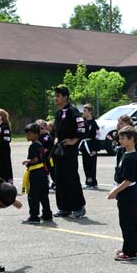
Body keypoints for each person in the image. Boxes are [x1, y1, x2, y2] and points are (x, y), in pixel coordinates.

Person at [52, 86, 86, 219]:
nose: (56, 98)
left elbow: (82, 128)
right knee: (59, 178)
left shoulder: (73, 111)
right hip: (59, 151)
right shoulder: (58, 113)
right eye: (55, 96)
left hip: (70, 151)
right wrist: (55, 138)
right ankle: (64, 207)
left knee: (71, 178)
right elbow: (56, 130)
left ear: (65, 97)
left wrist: (74, 141)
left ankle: (79, 207)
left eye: (58, 96)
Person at [108, 126, 137, 261]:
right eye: (119, 138)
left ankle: (130, 251)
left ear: (131, 139)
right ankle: (130, 246)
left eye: (122, 138)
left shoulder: (131, 157)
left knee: (128, 223)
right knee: (126, 222)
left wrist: (115, 191)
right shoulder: (125, 153)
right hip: (126, 195)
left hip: (129, 195)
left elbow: (128, 180)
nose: (120, 141)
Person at [21, 123, 53, 225]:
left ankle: (34, 216)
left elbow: (34, 160)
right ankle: (47, 214)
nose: (27, 136)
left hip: (36, 173)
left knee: (33, 195)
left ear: (35, 134)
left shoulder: (33, 146)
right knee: (43, 194)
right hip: (43, 172)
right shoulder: (40, 144)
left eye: (29, 134)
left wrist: (27, 161)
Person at [80, 103, 100, 189]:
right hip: (84, 146)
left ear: (90, 112)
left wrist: (95, 149)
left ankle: (93, 182)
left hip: (91, 146)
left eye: (85, 110)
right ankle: (88, 181)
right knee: (85, 164)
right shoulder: (83, 122)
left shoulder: (94, 124)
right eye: (83, 110)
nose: (83, 112)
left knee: (91, 164)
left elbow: (97, 136)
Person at [38, 120, 56, 190]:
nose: (40, 130)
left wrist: (47, 149)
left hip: (49, 157)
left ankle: (55, 182)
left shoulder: (48, 136)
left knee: (52, 170)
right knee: (44, 171)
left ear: (45, 127)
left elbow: (52, 145)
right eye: (38, 128)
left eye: (41, 128)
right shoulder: (38, 136)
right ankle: (45, 183)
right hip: (42, 157)